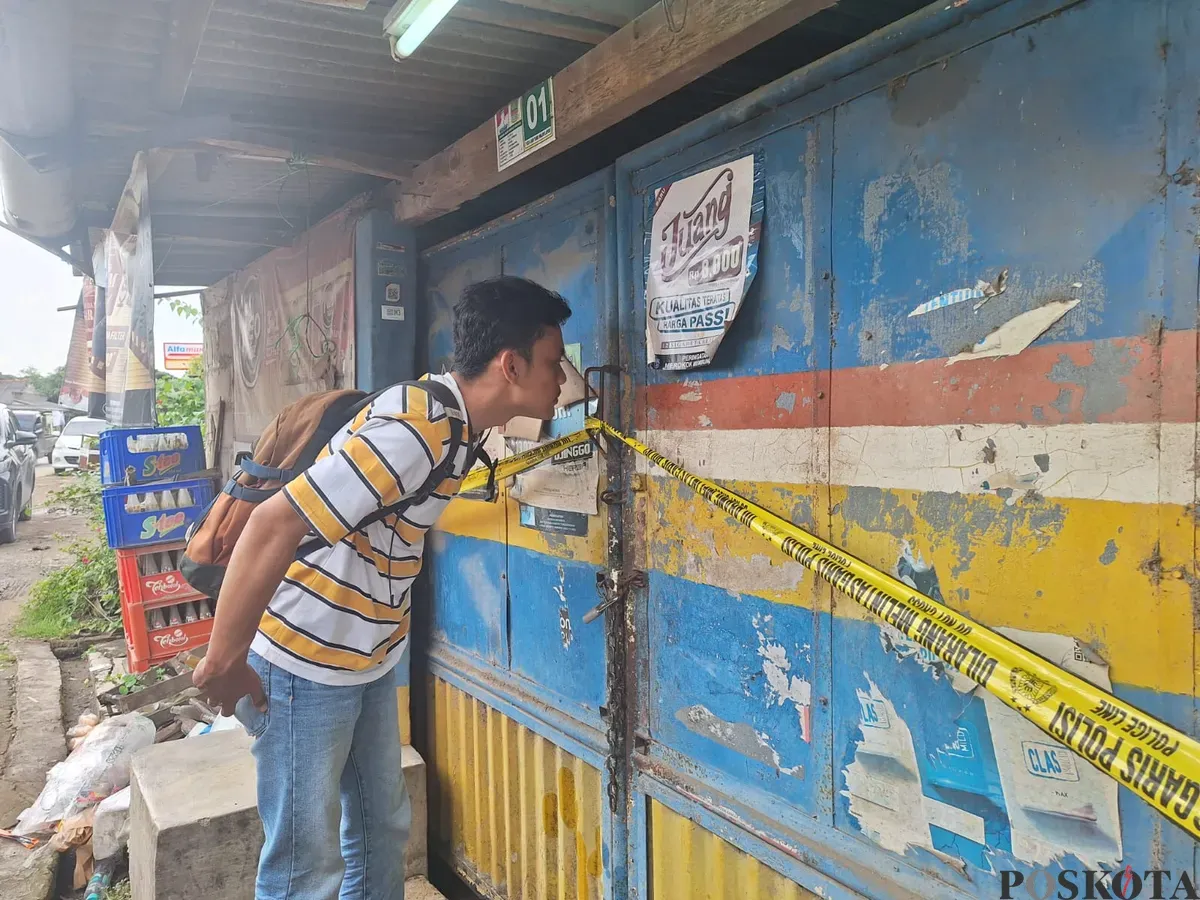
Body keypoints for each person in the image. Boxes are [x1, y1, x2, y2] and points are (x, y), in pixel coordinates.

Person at [194, 276, 571, 900]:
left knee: (379, 830)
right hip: (302, 665)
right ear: (511, 365)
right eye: (554, 364)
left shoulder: (459, 428)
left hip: (363, 663)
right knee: (303, 865)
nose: (562, 379)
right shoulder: (416, 433)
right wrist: (223, 660)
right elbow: (272, 524)